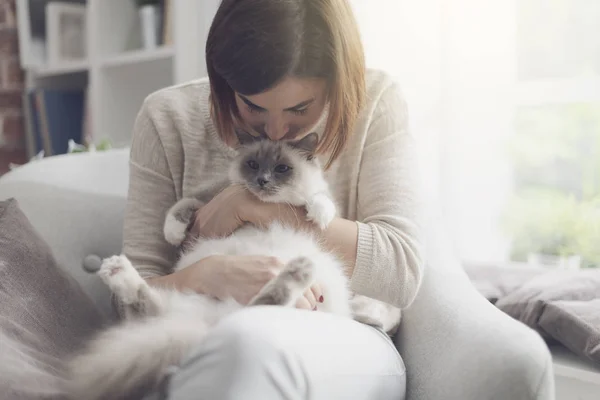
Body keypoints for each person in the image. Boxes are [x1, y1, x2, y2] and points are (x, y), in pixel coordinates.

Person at [123, 0, 425, 398]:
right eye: (253, 106)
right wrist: (207, 276)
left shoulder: (376, 101)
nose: (278, 129)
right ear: (223, 80)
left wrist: (252, 205)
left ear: (337, 80)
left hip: (343, 332)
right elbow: (131, 300)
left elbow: (401, 273)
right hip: (205, 321)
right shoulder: (167, 116)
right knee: (230, 352)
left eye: (301, 109)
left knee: (248, 350)